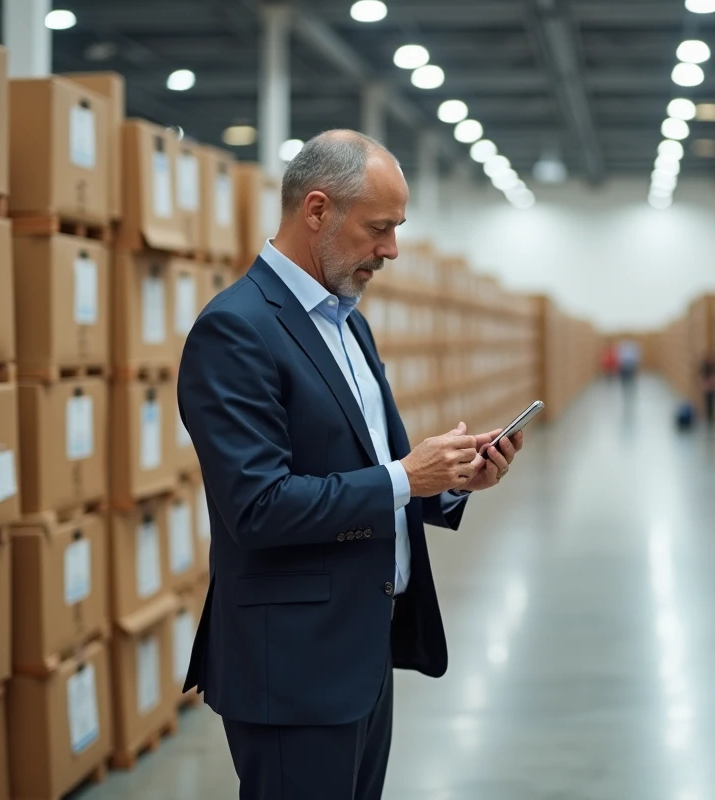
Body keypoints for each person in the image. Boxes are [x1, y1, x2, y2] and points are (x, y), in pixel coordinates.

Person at [176, 130, 526, 800]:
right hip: (294, 669)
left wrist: (451, 480)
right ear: (316, 212)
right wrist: (406, 477)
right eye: (379, 229)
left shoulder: (347, 323)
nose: (391, 249)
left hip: (361, 653)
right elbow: (257, 506)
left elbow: (378, 466)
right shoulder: (236, 329)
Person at [699, 352, 715, 427]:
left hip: (712, 387)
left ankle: (711, 416)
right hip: (707, 386)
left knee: (712, 401)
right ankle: (707, 416)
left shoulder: (713, 367)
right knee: (707, 401)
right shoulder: (705, 366)